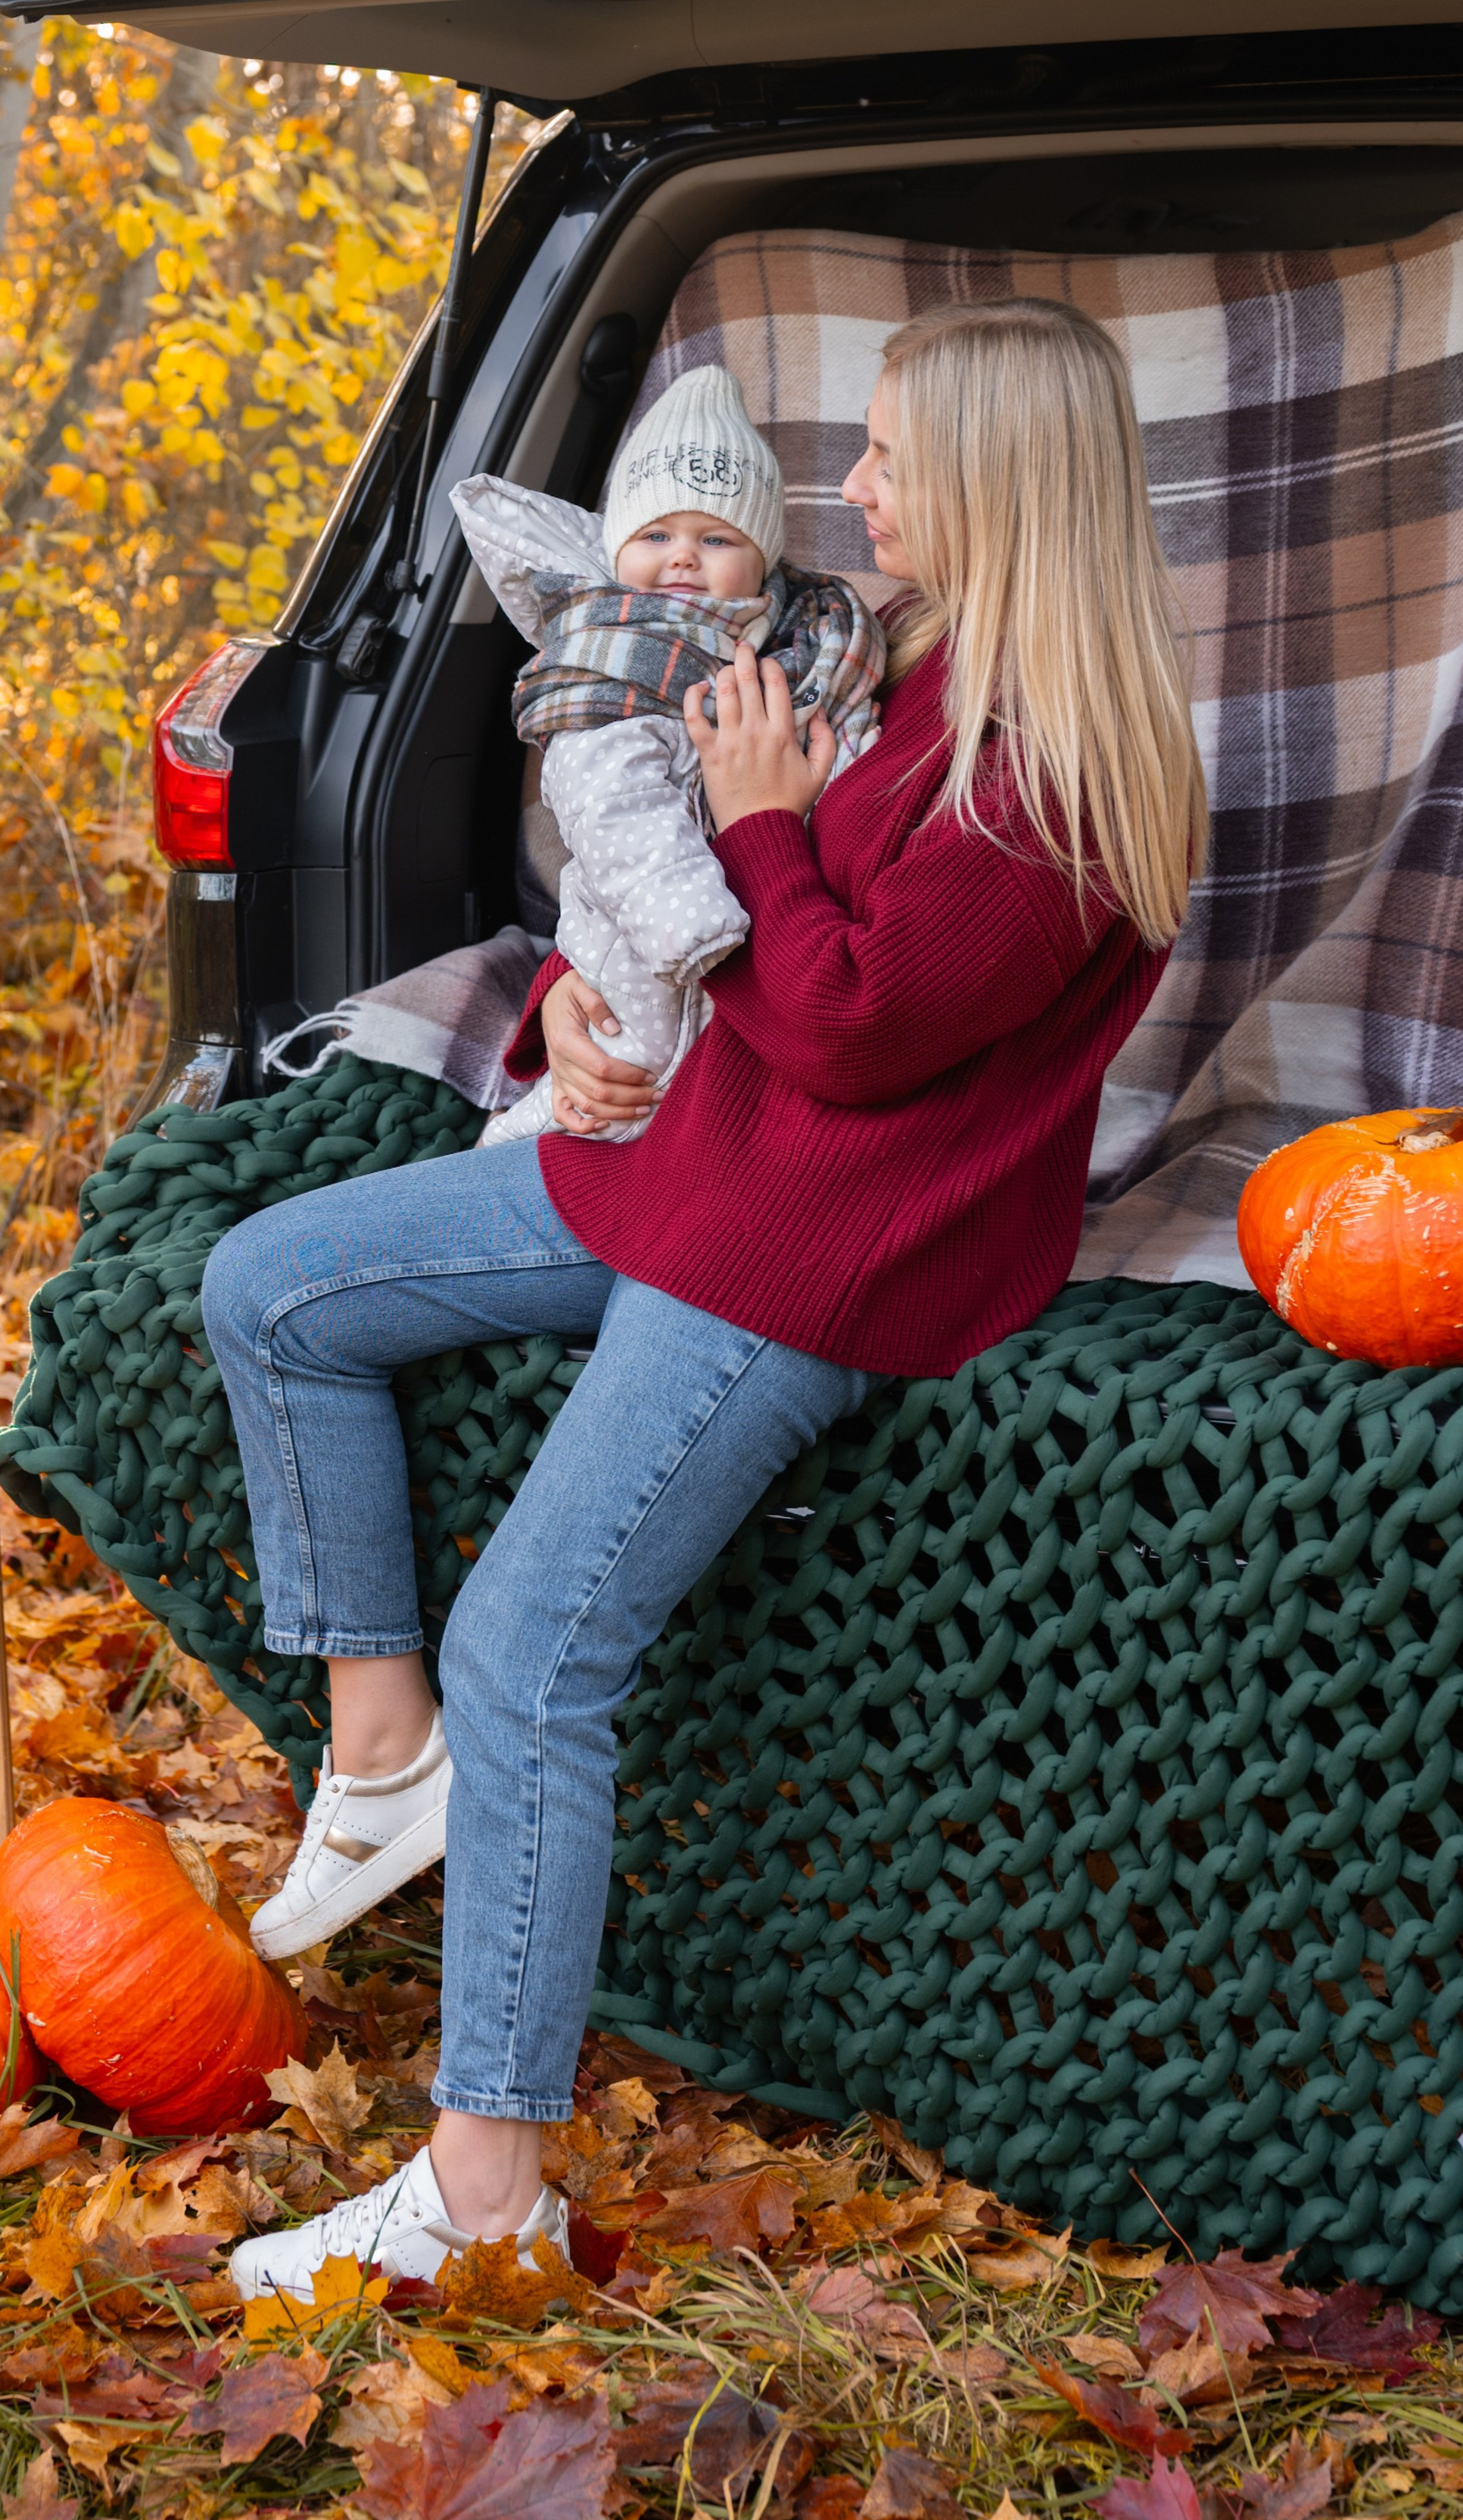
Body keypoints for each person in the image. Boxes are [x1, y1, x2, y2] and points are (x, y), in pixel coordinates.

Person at [202, 293, 1208, 2300]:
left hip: (815, 1253)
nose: (851, 490)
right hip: (695, 1162)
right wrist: (589, 1013)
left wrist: (756, 812)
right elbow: (742, 965)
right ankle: (381, 1752)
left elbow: (841, 1018)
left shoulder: (1063, 772)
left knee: (537, 1656)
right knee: (274, 1286)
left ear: (1000, 484)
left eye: (892, 458)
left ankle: (482, 2193)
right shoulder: (920, 690)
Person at [451, 363, 882, 1146]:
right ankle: (527, 1141)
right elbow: (612, 807)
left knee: (695, 1091)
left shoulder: (804, 651)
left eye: (715, 538)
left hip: (771, 962)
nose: (682, 558)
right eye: (654, 536)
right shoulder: (616, 661)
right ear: (617, 548)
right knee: (623, 1075)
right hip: (659, 935)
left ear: (764, 560)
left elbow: (846, 753)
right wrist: (690, 927)